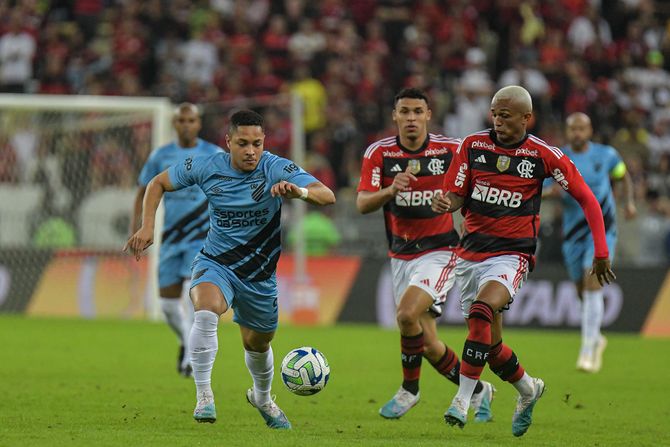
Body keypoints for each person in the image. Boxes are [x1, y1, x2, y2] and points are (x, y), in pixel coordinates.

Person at [125, 110, 335, 428]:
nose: (251, 151)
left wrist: (299, 192)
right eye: (242, 143)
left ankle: (263, 398)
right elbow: (157, 184)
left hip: (259, 276)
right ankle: (204, 397)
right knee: (206, 311)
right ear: (228, 142)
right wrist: (147, 227)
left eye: (257, 143)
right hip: (216, 262)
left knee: (257, 343)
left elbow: (327, 195)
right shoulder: (208, 165)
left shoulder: (275, 167)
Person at [432, 85, 615, 437]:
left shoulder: (543, 155)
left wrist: (602, 251)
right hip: (471, 253)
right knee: (491, 346)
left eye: (506, 114)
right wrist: (446, 203)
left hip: (513, 253)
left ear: (526, 118)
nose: (498, 120)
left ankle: (462, 399)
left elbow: (588, 199)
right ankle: (529, 389)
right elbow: (455, 195)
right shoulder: (472, 146)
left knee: (482, 310)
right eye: (495, 113)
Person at [356, 88, 495, 421]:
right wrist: (391, 189)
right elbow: (362, 203)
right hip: (400, 255)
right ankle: (478, 390)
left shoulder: (449, 150)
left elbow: (477, 190)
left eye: (418, 111)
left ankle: (409, 391)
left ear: (428, 115)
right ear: (395, 116)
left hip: (441, 251)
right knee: (429, 343)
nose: (411, 118)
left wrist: (458, 208)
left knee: (405, 315)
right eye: (404, 111)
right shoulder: (379, 154)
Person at [131, 103, 222, 377]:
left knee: (192, 295)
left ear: (199, 124)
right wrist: (139, 226)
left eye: (191, 120)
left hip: (202, 239)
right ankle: (187, 340)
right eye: (181, 120)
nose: (186, 125)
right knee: (168, 305)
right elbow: (144, 190)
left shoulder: (213, 154)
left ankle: (192, 360)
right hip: (170, 238)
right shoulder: (161, 155)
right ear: (174, 123)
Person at [549, 112, 636, 373]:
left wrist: (628, 201)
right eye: (572, 129)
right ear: (567, 131)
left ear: (590, 130)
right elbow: (538, 188)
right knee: (580, 290)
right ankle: (596, 338)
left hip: (603, 229)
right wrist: (549, 193)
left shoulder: (607, 155)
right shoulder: (557, 158)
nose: (577, 133)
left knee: (592, 281)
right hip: (573, 233)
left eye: (581, 128)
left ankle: (587, 351)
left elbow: (622, 175)